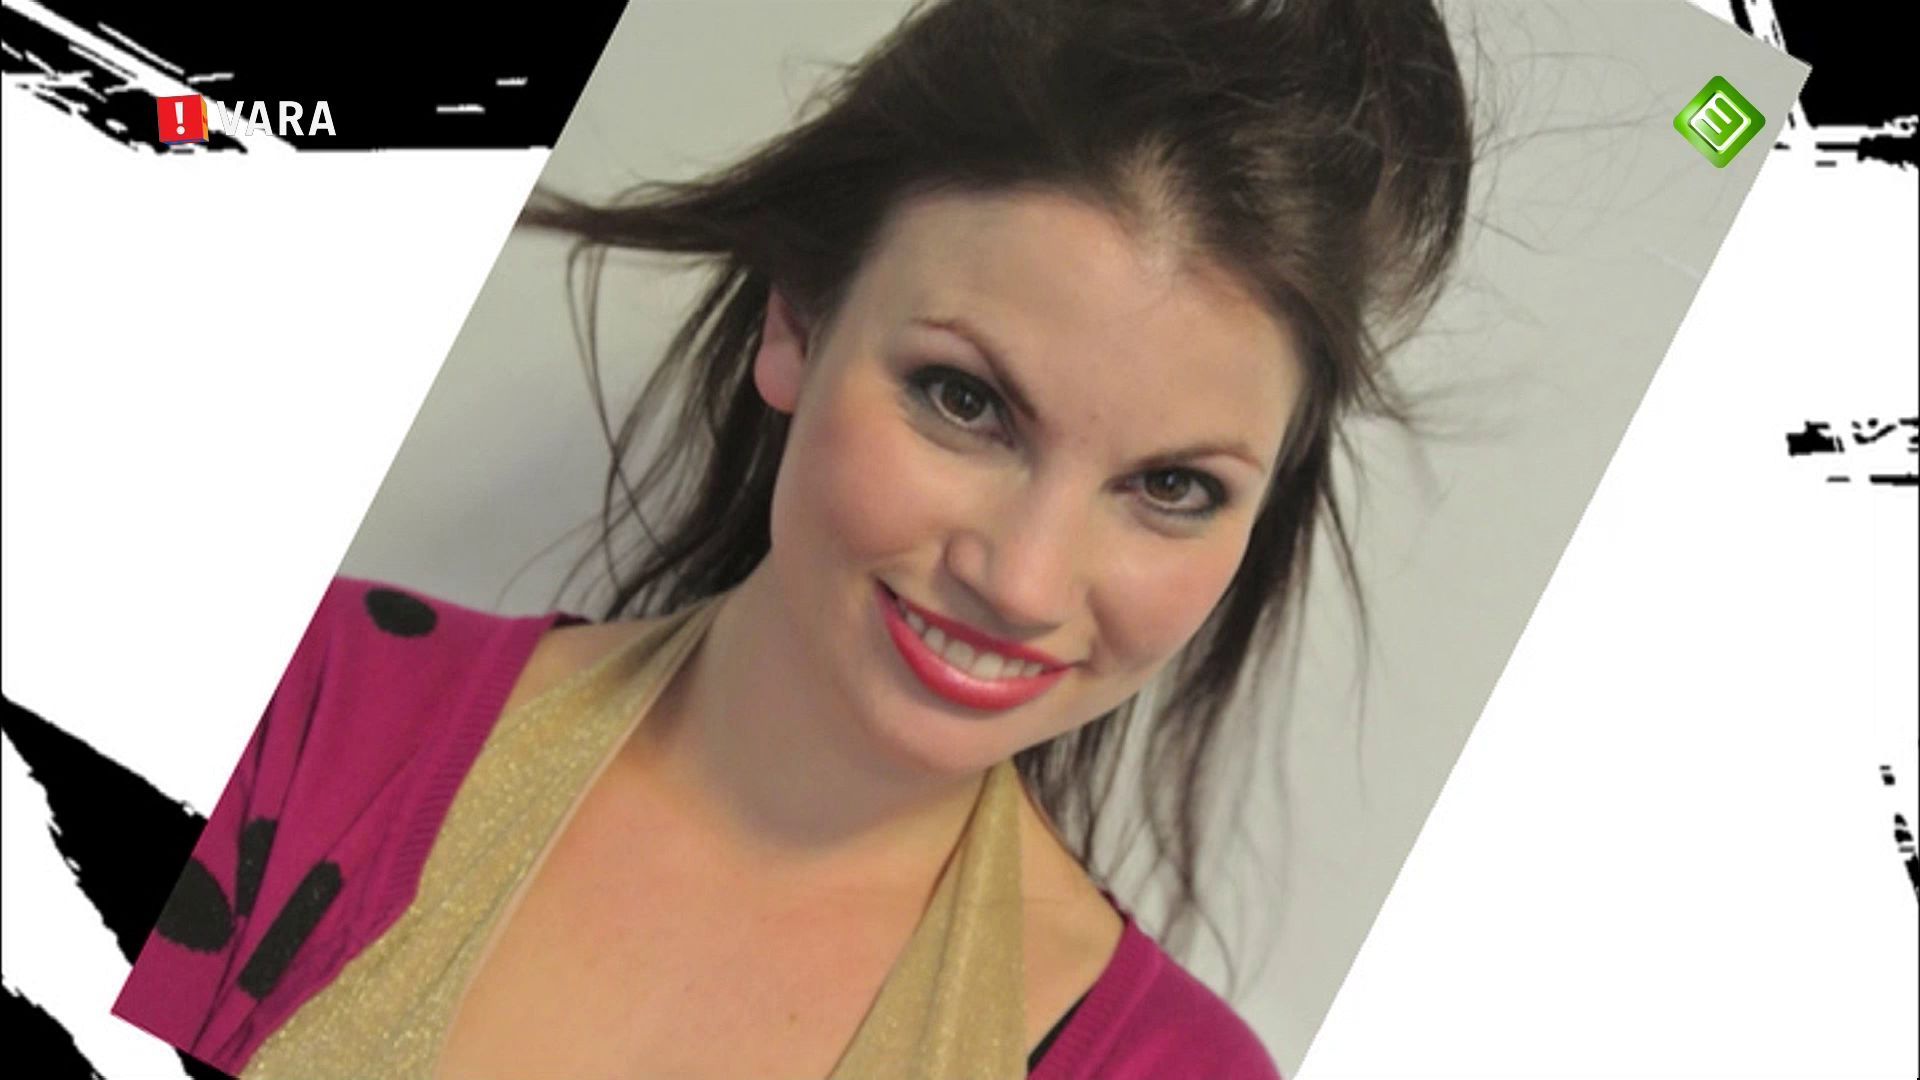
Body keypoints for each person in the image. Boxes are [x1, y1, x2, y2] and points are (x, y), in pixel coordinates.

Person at [112, 0, 1473, 1076]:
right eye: (965, 401)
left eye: (1172, 486)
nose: (1022, 579)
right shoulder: (293, 708)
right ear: (796, 323)